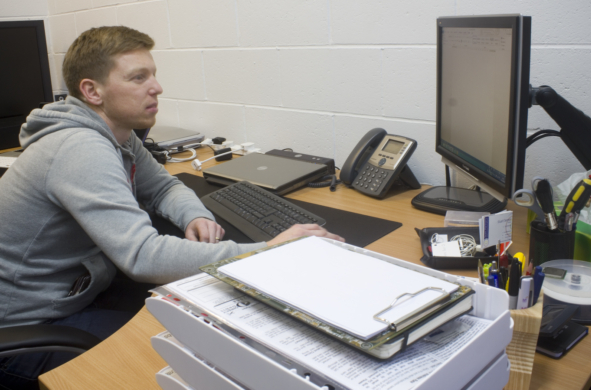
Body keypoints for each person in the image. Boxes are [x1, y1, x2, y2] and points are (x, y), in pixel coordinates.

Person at [0, 26, 343, 389]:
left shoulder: (117, 133)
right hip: (27, 327)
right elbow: (143, 256)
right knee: (187, 351)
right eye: (138, 77)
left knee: (195, 318)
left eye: (153, 75)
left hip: (72, 295)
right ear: (92, 91)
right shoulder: (79, 148)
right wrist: (266, 252)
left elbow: (163, 186)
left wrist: (194, 214)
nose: (157, 87)